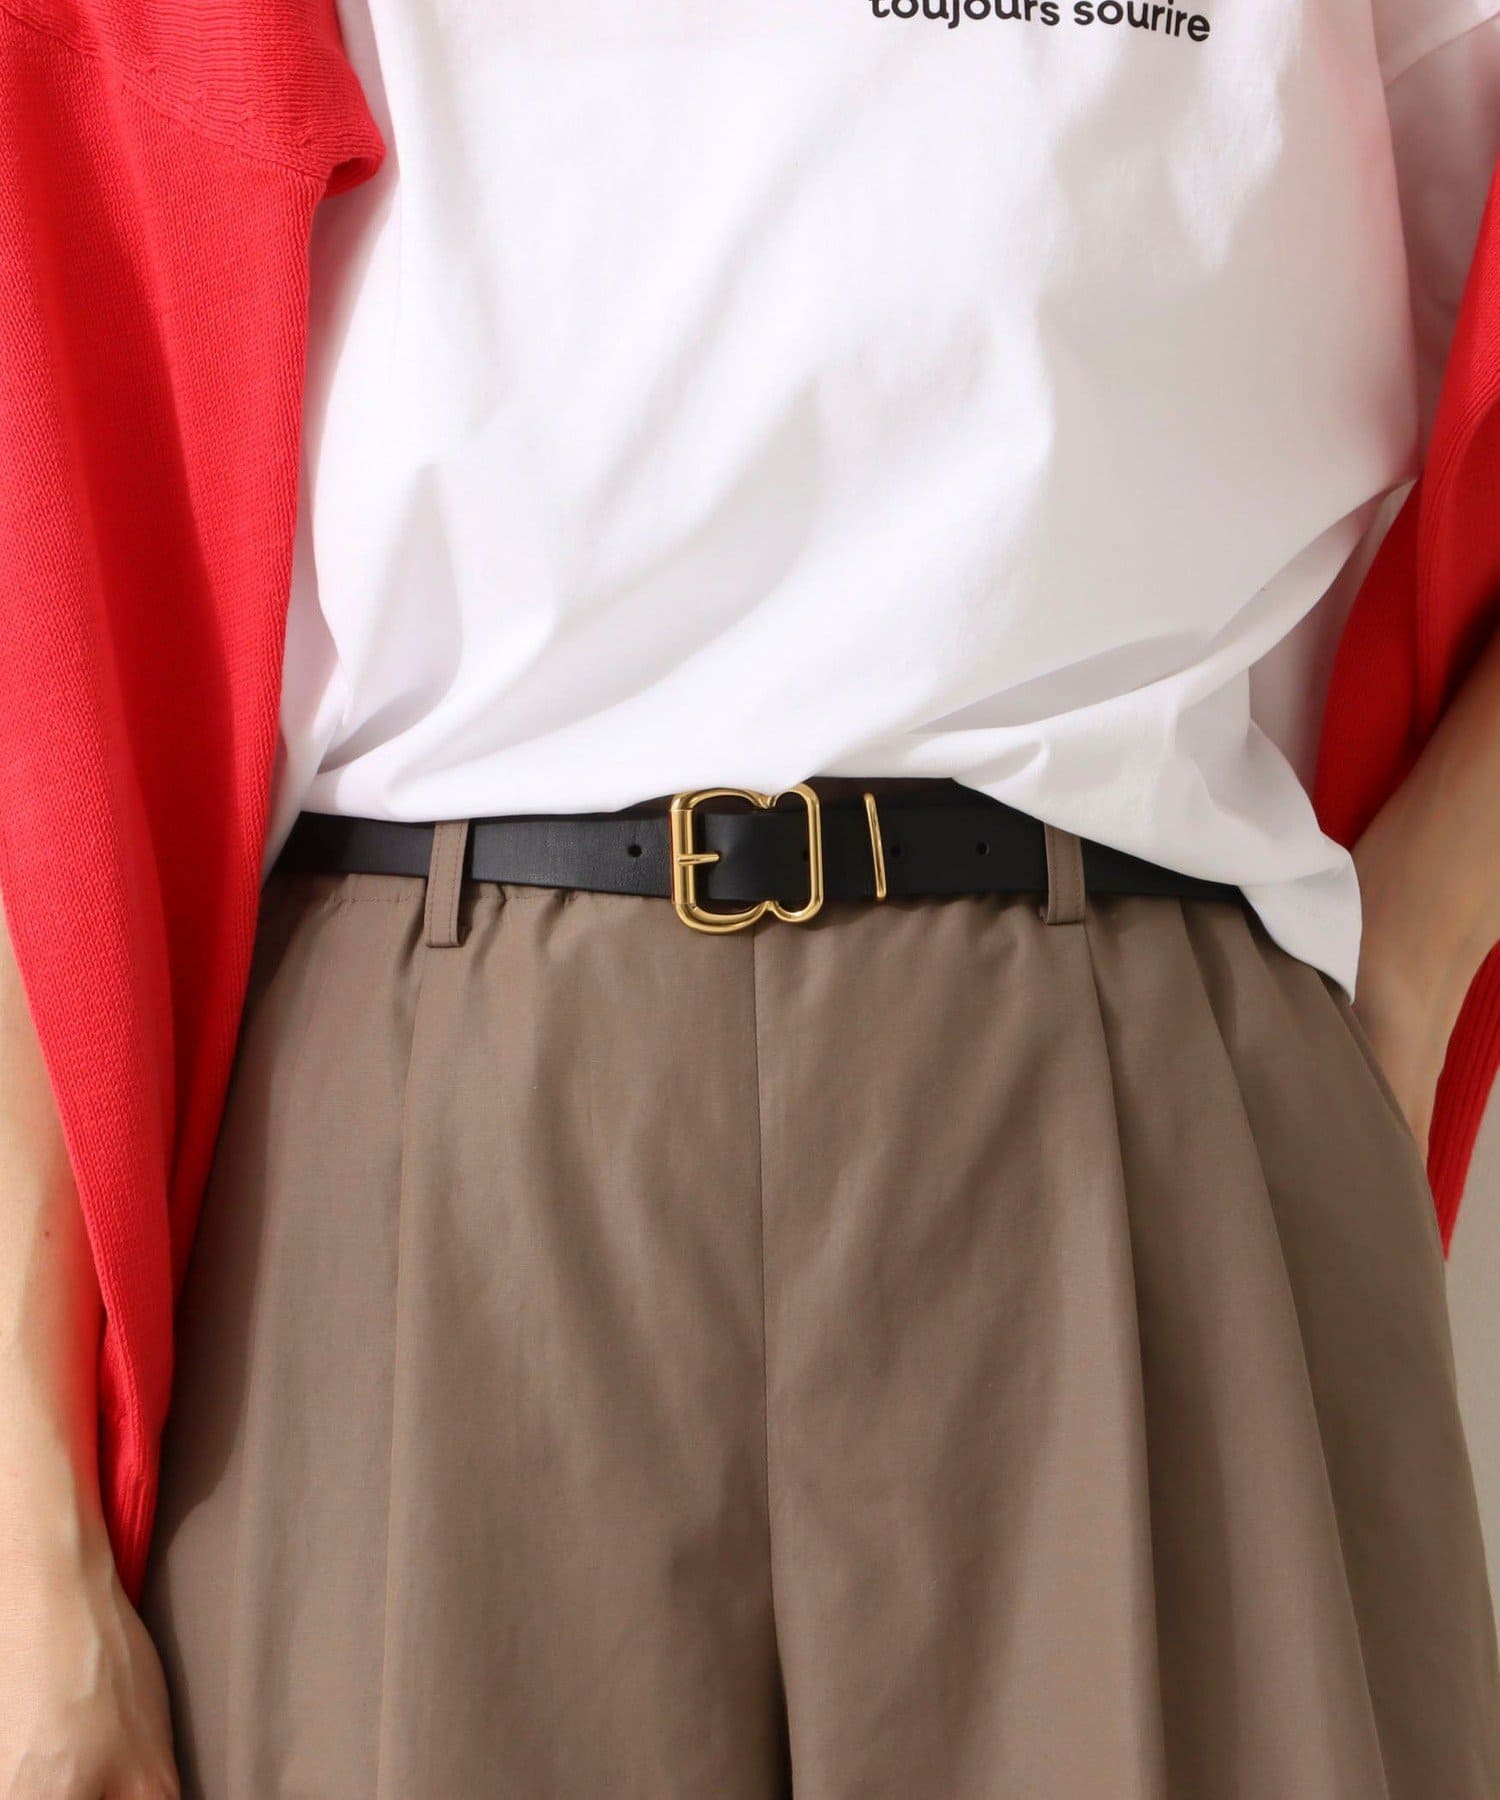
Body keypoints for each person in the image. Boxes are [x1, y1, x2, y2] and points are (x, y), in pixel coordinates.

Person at [4, 0, 1500, 1793]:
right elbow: (60, 493)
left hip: (1146, 1084)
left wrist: (1417, 943)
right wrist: (27, 1529)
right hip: (423, 1139)